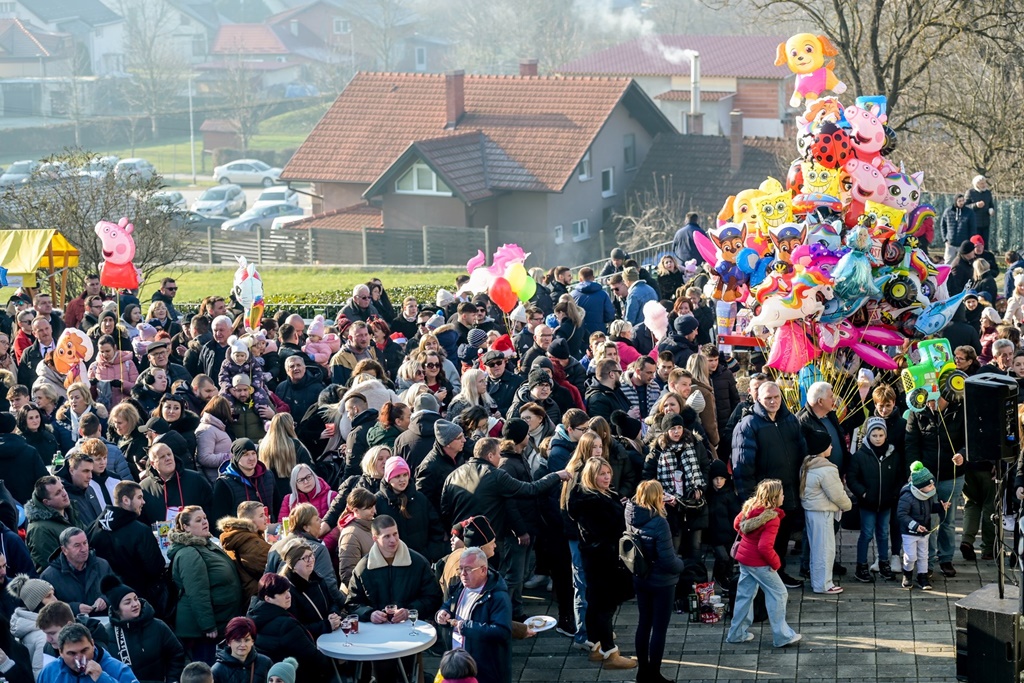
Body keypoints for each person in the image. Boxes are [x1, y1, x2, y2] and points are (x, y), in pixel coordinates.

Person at [345, 516, 443, 682]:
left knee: (409, 676)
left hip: (411, 635)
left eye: (395, 534)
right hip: (376, 640)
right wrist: (369, 614)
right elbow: (352, 604)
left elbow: (434, 597)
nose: (393, 540)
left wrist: (410, 611)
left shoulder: (418, 562)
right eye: (387, 536)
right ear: (375, 538)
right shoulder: (363, 568)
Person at [731, 381, 808, 588]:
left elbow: (801, 452)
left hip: (787, 492)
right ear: (758, 399)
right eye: (768, 398)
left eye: (776, 397)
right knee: (764, 541)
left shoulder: (790, 420)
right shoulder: (748, 425)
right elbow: (742, 466)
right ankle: (763, 581)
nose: (773, 402)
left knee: (782, 537)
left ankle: (779, 573)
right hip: (764, 498)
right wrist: (749, 501)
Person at [566, 457, 635, 670]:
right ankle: (609, 652)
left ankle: (597, 646)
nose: (607, 477)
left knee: (597, 603)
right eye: (601, 474)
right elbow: (603, 531)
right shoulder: (591, 502)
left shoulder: (600, 495)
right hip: (603, 559)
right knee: (605, 605)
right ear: (591, 476)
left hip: (601, 557)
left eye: (608, 473)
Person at [726, 479, 801, 648]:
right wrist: (776, 564)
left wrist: (748, 539)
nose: (784, 496)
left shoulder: (750, 506)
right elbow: (764, 547)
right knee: (779, 594)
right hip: (759, 563)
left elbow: (737, 524)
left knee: (745, 595)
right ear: (774, 498)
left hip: (744, 559)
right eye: (781, 494)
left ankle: (736, 634)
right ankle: (782, 636)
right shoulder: (772, 518)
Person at [166, 506, 243, 664]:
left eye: (205, 518)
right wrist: (208, 626)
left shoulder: (205, 544)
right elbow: (197, 592)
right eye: (198, 520)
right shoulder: (189, 552)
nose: (205, 522)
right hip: (202, 632)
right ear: (186, 527)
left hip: (218, 623)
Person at [625, 480, 683, 683]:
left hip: (641, 577)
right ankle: (654, 674)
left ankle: (643, 672)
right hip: (662, 582)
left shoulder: (630, 514)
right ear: (657, 497)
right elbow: (668, 560)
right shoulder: (659, 522)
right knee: (659, 628)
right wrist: (682, 566)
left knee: (644, 623)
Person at [905, 397, 965, 579]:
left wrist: (962, 454)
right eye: (928, 400)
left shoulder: (959, 410)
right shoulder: (917, 411)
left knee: (948, 521)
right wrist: (914, 470)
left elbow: (968, 440)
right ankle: (927, 562)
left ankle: (946, 559)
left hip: (950, 475)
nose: (931, 404)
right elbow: (911, 444)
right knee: (927, 520)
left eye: (935, 400)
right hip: (925, 478)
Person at [87, 481, 167, 615]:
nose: (144, 502)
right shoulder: (141, 531)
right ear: (125, 500)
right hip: (137, 601)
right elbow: (155, 568)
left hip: (104, 598)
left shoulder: (93, 527)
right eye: (139, 497)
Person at [435, 546, 513, 683]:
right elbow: (449, 604)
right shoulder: (461, 586)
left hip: (483, 672)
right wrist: (442, 613)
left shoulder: (498, 597)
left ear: (483, 570)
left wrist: (467, 627)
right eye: (461, 568)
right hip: (457, 668)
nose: (463, 574)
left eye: (469, 569)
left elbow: (502, 631)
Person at [246, 573, 333, 682]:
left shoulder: (253, 617)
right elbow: (314, 658)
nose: (288, 595)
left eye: (288, 591)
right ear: (268, 599)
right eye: (282, 593)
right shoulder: (286, 625)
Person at [847, 417, 901, 583]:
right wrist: (863, 493)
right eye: (874, 435)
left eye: (880, 434)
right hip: (867, 504)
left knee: (884, 533)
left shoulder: (893, 455)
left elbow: (899, 477)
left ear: (885, 435)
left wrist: (894, 494)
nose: (877, 438)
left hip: (886, 503)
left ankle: (884, 563)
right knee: (867, 534)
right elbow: (852, 478)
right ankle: (861, 565)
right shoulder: (860, 456)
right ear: (868, 436)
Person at [102, 577, 185, 683]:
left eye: (136, 599)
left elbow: (176, 654)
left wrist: (172, 680)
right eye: (128, 602)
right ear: (117, 610)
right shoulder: (108, 634)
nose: (135, 604)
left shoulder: (158, 626)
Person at [800, 440, 851, 595]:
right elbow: (837, 494)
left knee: (816, 548)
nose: (831, 447)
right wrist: (848, 505)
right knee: (825, 549)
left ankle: (818, 581)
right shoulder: (826, 469)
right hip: (823, 512)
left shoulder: (807, 464)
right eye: (829, 444)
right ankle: (823, 584)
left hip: (811, 510)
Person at [898, 462, 951, 590]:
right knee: (911, 556)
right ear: (920, 487)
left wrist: (941, 508)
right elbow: (901, 515)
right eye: (930, 485)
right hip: (909, 532)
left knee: (923, 555)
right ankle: (907, 574)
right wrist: (915, 526)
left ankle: (923, 577)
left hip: (924, 531)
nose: (933, 487)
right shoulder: (907, 496)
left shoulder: (927, 496)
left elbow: (930, 508)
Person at [277, 540, 345, 637]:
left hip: (329, 636)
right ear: (293, 564)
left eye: (311, 555)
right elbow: (296, 629)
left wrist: (333, 614)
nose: (311, 560)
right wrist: (326, 625)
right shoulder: (288, 591)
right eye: (305, 558)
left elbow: (332, 603)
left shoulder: (318, 579)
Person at [210, 439, 281, 525]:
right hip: (242, 535)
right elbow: (220, 519)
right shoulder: (224, 483)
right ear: (237, 457)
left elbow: (277, 506)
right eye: (245, 455)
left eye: (253, 453)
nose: (251, 458)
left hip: (270, 531)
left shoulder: (268, 475)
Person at [139, 444, 213, 525]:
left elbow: (211, 506)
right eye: (162, 457)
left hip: (196, 536)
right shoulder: (144, 488)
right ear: (153, 464)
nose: (168, 458)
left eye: (169, 454)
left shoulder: (195, 478)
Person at [36, 622, 136, 683]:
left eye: (84, 650)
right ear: (61, 652)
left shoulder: (118, 669)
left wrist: (102, 679)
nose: (79, 658)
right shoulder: (49, 672)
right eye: (72, 653)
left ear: (92, 644)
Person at [217, 501, 272, 601]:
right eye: (261, 516)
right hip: (259, 596)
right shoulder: (251, 543)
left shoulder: (238, 536)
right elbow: (274, 568)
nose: (266, 518)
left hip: (250, 595)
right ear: (249, 521)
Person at [26, 477, 81, 573]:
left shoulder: (70, 513)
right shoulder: (40, 530)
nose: (64, 494)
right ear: (46, 502)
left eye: (63, 488)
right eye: (57, 493)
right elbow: (49, 568)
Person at [414, 418, 466, 514]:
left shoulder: (459, 456)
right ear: (447, 443)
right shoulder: (429, 467)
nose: (464, 440)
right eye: (459, 438)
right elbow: (424, 501)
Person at [8, 574, 56, 679]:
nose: (55, 599)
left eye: (53, 594)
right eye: (48, 596)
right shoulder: (43, 637)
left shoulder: (24, 623)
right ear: (36, 603)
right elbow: (40, 673)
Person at [0, 410, 47, 504]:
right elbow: (43, 481)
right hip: (28, 506)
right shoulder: (30, 451)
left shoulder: (29, 450)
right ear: (14, 428)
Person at [210, 617, 272, 683]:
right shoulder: (217, 670)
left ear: (252, 641)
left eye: (247, 640)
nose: (243, 645)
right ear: (228, 642)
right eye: (238, 640)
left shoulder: (265, 663)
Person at [337, 487, 376, 590]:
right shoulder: (350, 535)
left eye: (373, 506)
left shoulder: (373, 526)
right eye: (368, 508)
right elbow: (348, 574)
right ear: (355, 510)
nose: (374, 511)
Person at [394, 393, 444, 471]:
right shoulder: (447, 434)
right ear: (436, 409)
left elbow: (397, 470)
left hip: (410, 482)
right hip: (447, 482)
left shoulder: (401, 439)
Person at [571, 268, 615, 336]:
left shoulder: (572, 295)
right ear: (593, 278)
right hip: (599, 332)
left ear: (580, 279)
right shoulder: (603, 294)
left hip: (579, 332)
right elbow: (609, 315)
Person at [942, 194, 976, 263]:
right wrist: (945, 240)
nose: (961, 203)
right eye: (959, 201)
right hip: (950, 244)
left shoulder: (969, 212)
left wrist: (970, 242)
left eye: (963, 200)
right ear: (955, 201)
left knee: (962, 263)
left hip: (963, 244)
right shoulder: (948, 211)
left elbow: (973, 228)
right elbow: (943, 225)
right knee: (947, 263)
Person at [965, 174, 995, 246]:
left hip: (985, 223)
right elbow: (965, 207)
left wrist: (991, 210)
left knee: (985, 244)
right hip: (974, 224)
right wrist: (976, 205)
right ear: (977, 184)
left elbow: (991, 204)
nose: (984, 185)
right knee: (975, 243)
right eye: (982, 183)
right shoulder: (970, 192)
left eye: (985, 183)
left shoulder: (988, 193)